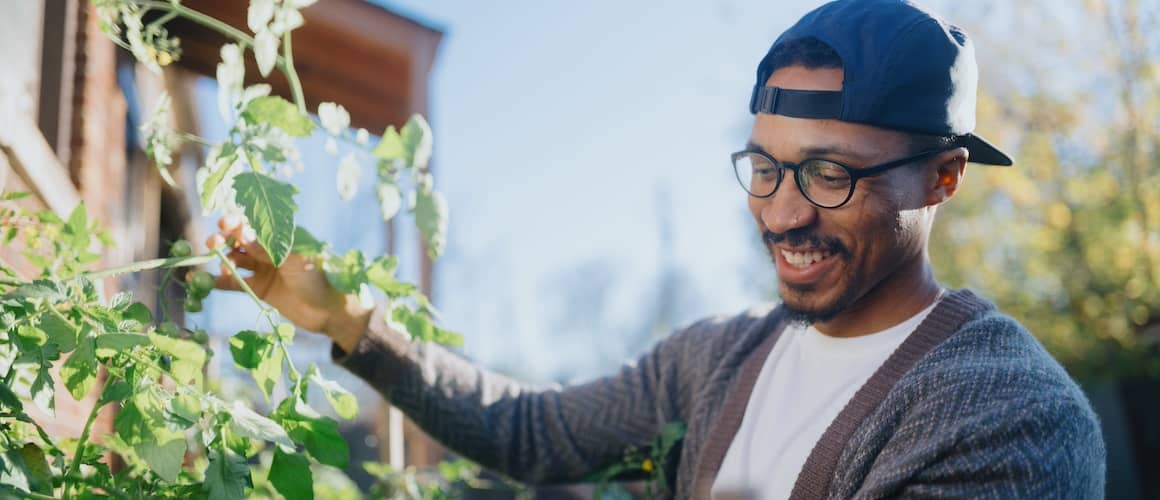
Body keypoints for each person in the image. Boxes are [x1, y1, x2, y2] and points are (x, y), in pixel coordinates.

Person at [212, 0, 1106, 498]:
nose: (784, 215)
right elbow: (534, 431)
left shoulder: (1008, 415)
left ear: (943, 178)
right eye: (766, 168)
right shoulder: (721, 358)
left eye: (831, 175)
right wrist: (348, 322)